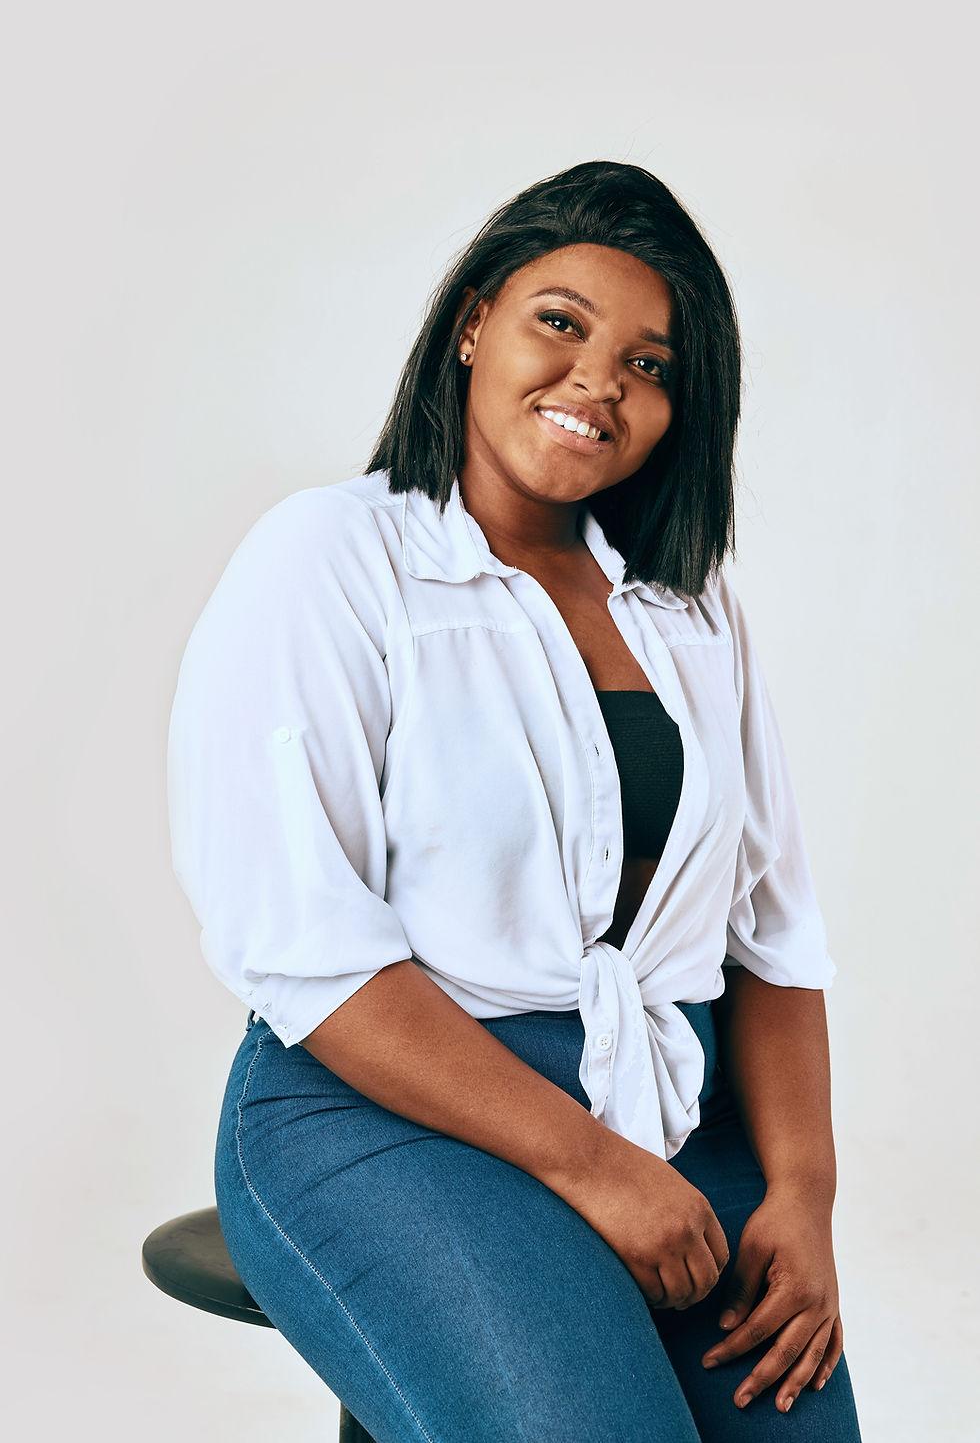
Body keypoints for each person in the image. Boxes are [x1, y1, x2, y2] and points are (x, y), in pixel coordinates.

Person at [168, 160, 863, 1442]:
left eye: (651, 365)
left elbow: (768, 935)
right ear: (473, 321)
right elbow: (303, 951)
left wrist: (803, 1198)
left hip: (661, 1110)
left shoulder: (689, 608)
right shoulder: (331, 559)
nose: (598, 380)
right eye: (561, 321)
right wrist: (594, 1170)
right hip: (387, 1112)